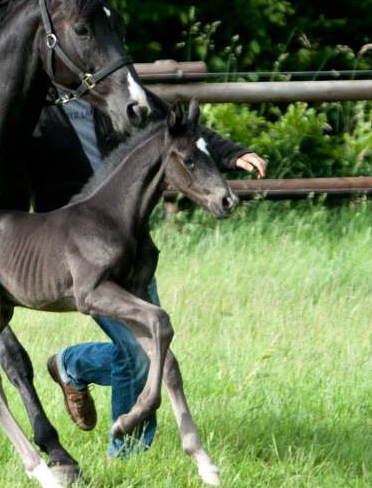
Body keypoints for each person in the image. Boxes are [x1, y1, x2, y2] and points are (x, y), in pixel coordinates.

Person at [29, 94, 267, 457]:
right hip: (74, 250)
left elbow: (178, 132)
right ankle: (128, 453)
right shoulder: (36, 109)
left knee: (151, 345)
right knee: (139, 350)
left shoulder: (114, 93)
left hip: (129, 242)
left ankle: (73, 364)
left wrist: (232, 153)